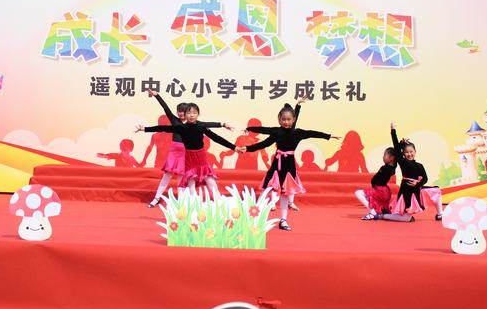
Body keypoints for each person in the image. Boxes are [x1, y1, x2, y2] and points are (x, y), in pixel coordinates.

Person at [243, 103, 340, 231]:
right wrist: (248, 145)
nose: (286, 122)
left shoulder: (297, 133)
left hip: (289, 166)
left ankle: (283, 220)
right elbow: (264, 139)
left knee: (285, 193)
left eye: (289, 119)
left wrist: (328, 136)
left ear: (293, 120)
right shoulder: (276, 132)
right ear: (279, 119)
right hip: (277, 164)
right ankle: (254, 217)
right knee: (267, 189)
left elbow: (312, 133)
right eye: (283, 119)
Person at [144, 90, 232, 207]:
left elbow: (208, 124)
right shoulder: (175, 121)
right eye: (179, 111)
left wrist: (222, 124)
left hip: (186, 153)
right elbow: (165, 108)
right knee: (167, 175)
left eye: (183, 111)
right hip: (174, 153)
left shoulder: (194, 123)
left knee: (184, 178)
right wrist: (157, 96)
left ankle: (183, 202)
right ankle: (156, 198)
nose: (181, 113)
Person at [375, 122, 443, 222]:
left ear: (415, 152)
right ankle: (383, 216)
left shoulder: (420, 165)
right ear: (403, 154)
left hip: (417, 189)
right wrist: (393, 130)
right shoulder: (403, 162)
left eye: (411, 152)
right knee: (406, 218)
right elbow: (396, 147)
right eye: (406, 152)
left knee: (436, 191)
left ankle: (440, 214)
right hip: (407, 192)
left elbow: (425, 178)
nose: (409, 154)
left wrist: (418, 183)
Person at [355, 147, 397, 220]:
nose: (383, 157)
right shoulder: (391, 167)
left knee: (358, 193)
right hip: (383, 190)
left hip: (381, 191)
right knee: (372, 199)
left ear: (392, 158)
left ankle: (372, 211)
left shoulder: (387, 168)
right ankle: (379, 212)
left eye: (385, 155)